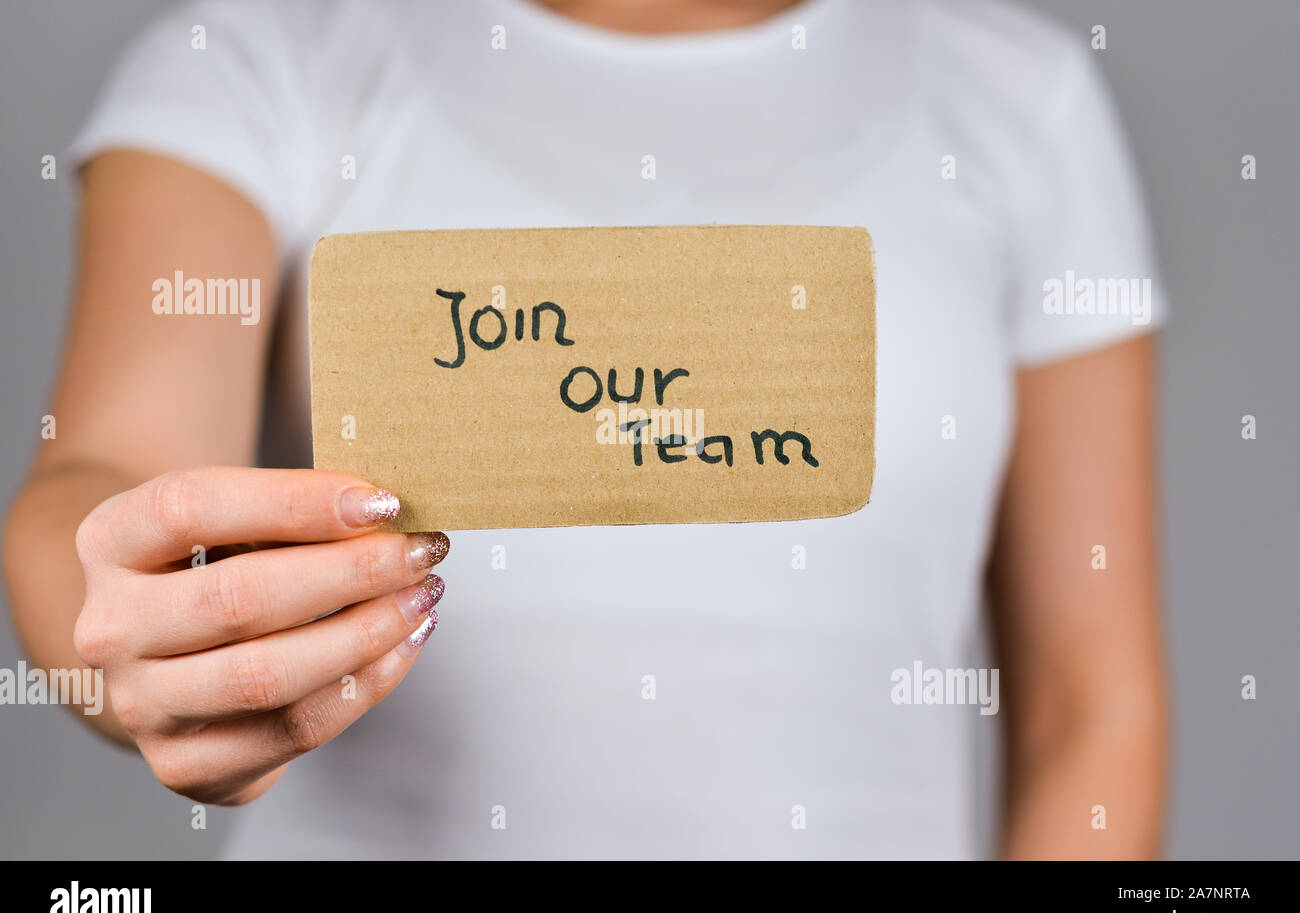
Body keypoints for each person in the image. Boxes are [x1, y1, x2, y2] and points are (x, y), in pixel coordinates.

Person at [3, 0, 1168, 859]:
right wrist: (143, 626)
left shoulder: (1020, 96)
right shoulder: (260, 53)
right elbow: (106, 471)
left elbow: (1091, 709)